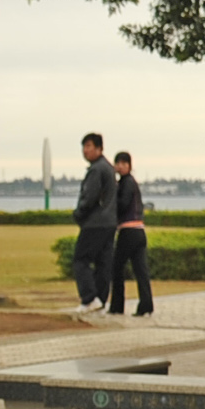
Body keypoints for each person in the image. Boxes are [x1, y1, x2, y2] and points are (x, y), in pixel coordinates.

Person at [70, 132, 119, 313]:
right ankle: (100, 299)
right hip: (109, 222)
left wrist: (79, 213)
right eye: (84, 147)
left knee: (80, 259)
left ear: (99, 148)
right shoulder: (108, 168)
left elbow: (90, 197)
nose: (85, 151)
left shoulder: (97, 170)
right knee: (103, 262)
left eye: (89, 147)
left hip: (95, 222)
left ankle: (89, 298)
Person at [104, 151, 154, 317]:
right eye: (118, 163)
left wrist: (109, 205)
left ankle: (117, 306)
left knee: (117, 268)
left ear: (129, 166)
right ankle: (146, 305)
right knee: (141, 270)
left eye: (124, 164)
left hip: (128, 231)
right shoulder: (132, 183)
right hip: (140, 231)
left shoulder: (126, 183)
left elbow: (123, 204)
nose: (120, 166)